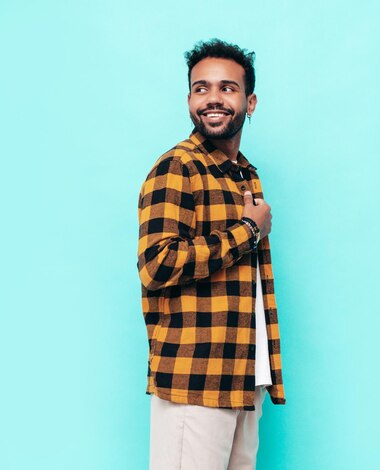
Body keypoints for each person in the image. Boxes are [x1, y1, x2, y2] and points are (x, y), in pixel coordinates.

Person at [137, 38, 286, 470]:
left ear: (249, 101)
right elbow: (157, 263)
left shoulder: (244, 175)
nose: (213, 99)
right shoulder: (177, 167)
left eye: (227, 88)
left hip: (242, 377)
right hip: (195, 380)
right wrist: (248, 231)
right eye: (201, 89)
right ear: (189, 100)